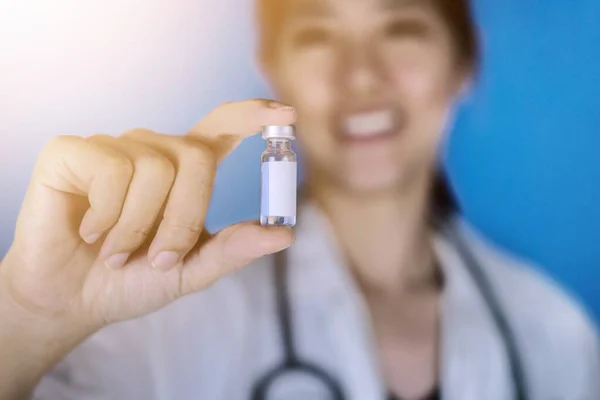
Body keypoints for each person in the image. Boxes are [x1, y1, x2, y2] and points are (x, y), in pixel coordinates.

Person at [1, 0, 598, 399]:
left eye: (402, 28)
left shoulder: (551, 329)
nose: (361, 74)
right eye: (318, 35)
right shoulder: (165, 318)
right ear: (273, 68)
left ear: (462, 62)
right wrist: (26, 319)